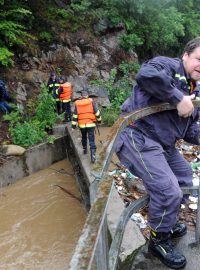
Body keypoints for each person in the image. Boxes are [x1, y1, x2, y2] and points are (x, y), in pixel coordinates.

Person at [115, 37, 200, 269]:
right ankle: (158, 240)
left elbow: (189, 129)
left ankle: (167, 221)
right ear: (185, 55)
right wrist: (177, 97)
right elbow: (145, 76)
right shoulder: (167, 65)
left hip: (164, 144)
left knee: (185, 179)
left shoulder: (196, 89)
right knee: (168, 189)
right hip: (138, 136)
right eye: (199, 59)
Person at [71, 90, 101, 163]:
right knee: (91, 139)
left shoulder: (77, 104)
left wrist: (73, 127)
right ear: (87, 95)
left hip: (82, 125)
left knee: (84, 137)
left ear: (81, 96)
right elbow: (97, 113)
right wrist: (99, 121)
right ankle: (93, 156)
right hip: (90, 124)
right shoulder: (91, 102)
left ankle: (85, 149)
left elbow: (75, 116)